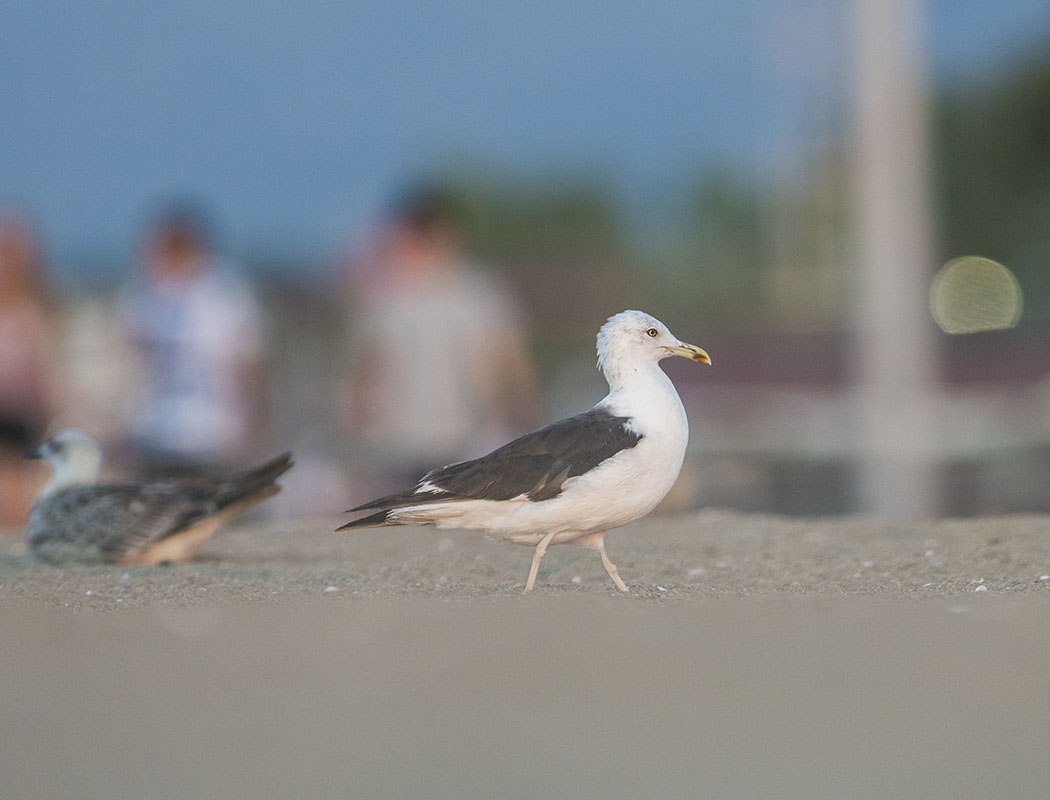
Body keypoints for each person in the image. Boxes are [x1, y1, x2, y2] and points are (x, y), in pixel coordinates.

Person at [344, 185, 539, 494]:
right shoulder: (386, 298)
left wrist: (521, 425)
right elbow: (367, 374)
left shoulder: (478, 293)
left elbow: (510, 365)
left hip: (465, 440)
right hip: (399, 444)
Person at [119, 203, 268, 476]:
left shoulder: (226, 294)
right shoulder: (141, 296)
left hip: (214, 433)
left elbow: (249, 365)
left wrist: (254, 427)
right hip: (154, 432)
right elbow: (128, 367)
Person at [0, 211, 58, 526]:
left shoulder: (31, 310)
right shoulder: (30, 310)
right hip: (14, 411)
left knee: (14, 491)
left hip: (18, 416)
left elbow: (41, 372)